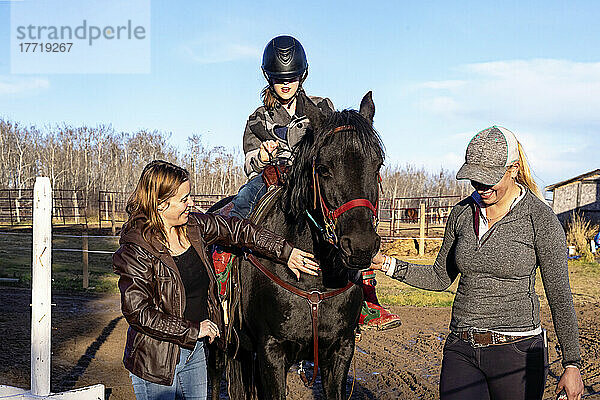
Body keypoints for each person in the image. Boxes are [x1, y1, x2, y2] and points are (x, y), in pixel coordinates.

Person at [371, 126, 585, 400]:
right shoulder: (461, 213)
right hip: (461, 347)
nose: (481, 187)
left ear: (514, 169)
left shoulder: (539, 218)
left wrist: (572, 364)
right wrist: (387, 263)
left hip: (516, 352)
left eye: (489, 179)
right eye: (475, 179)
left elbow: (559, 295)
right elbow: (439, 277)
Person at [220, 34, 400, 330]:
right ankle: (226, 270)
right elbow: (248, 162)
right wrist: (263, 156)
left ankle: (367, 298)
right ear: (269, 78)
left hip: (313, 181)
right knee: (240, 204)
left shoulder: (321, 106)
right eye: (279, 78)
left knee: (351, 224)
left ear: (302, 75)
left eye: (291, 77)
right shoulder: (258, 118)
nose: (286, 84)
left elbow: (340, 146)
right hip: (273, 178)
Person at [113, 160, 319, 400]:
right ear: (160, 205)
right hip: (157, 361)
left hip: (195, 351)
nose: (192, 204)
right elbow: (138, 312)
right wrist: (192, 329)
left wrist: (286, 252)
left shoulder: (193, 227)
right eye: (184, 199)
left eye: (190, 196)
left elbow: (238, 230)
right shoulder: (135, 250)